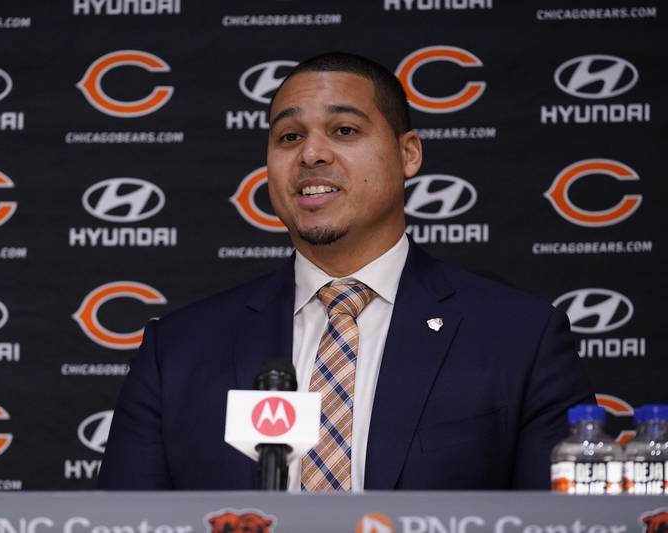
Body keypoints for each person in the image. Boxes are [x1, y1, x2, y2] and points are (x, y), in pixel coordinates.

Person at [98, 52, 594, 491]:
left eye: (344, 131)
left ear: (408, 154)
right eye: (289, 137)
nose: (311, 154)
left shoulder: (519, 338)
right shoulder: (178, 351)